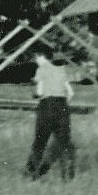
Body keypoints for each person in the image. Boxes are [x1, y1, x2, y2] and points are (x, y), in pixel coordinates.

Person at [24, 51, 76, 180]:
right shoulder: (61, 70)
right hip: (63, 106)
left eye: (36, 58)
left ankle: (32, 174)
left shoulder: (42, 69)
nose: (36, 61)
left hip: (47, 106)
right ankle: (67, 177)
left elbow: (40, 91)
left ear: (40, 56)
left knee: (40, 142)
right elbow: (71, 93)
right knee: (63, 143)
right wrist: (63, 105)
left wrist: (35, 96)